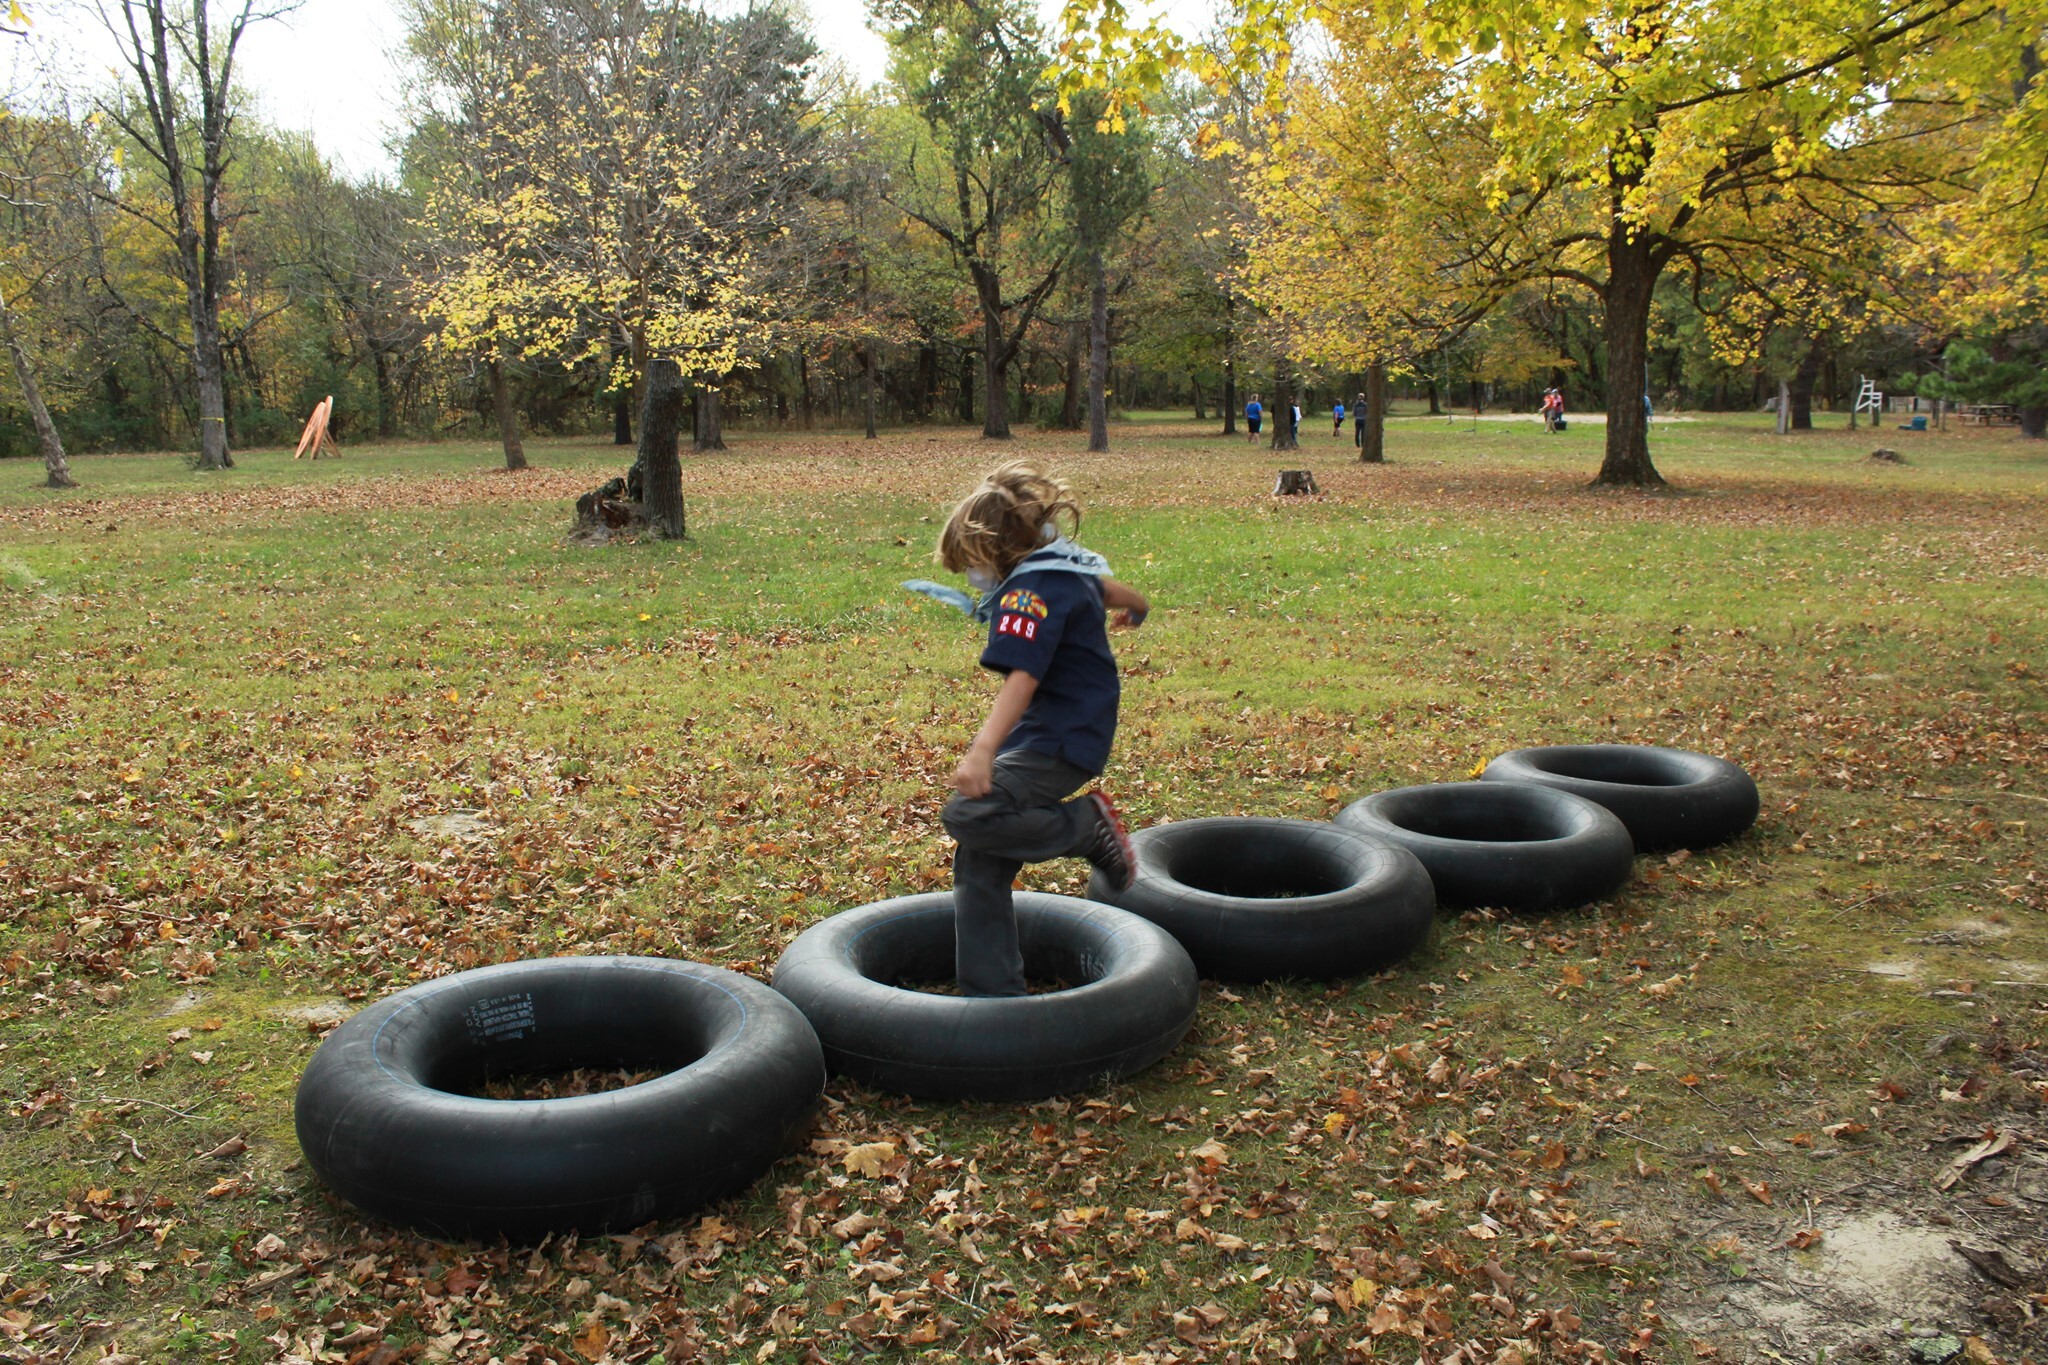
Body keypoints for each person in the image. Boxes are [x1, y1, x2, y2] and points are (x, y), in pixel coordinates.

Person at [931, 462, 1151, 997]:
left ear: (995, 549)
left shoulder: (1025, 593)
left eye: (973, 563)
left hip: (1058, 738)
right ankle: (992, 989)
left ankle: (1085, 827)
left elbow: (1024, 676)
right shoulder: (1063, 569)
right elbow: (1105, 590)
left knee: (967, 813)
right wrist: (1138, 605)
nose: (972, 576)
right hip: (1069, 731)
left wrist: (982, 750)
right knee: (980, 858)